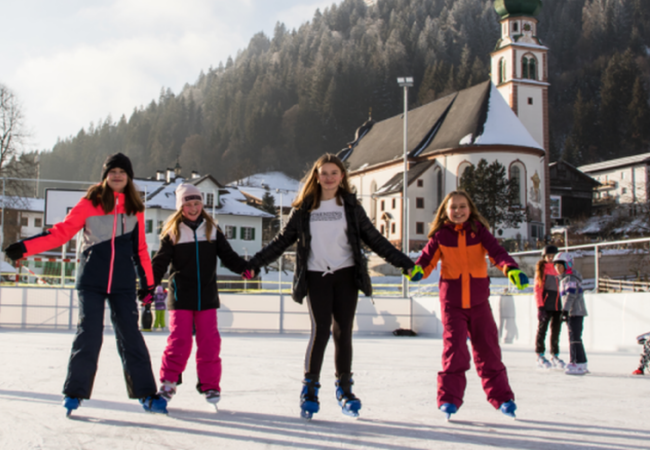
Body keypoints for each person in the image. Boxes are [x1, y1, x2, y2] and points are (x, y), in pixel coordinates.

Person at [247, 154, 416, 420]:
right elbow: (281, 242)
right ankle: (310, 388)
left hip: (347, 276)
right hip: (316, 277)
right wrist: (255, 264)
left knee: (343, 332)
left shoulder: (350, 206)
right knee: (321, 331)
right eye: (324, 173)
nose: (329, 178)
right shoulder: (304, 209)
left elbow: (375, 239)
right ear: (316, 176)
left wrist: (406, 264)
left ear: (342, 176)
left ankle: (345, 389)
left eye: (334, 172)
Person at [4, 153, 168, 416]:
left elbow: (140, 250)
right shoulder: (89, 203)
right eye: (112, 171)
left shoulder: (135, 208)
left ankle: (147, 393)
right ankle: (74, 392)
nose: (117, 175)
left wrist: (148, 284)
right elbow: (61, 232)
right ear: (105, 176)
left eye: (122, 172)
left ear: (129, 177)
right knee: (89, 334)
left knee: (131, 337)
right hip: (92, 280)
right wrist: (25, 247)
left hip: (123, 283)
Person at [406, 190, 529, 419]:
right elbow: (426, 261)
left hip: (479, 302)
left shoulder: (479, 232)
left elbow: (497, 253)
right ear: (445, 211)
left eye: (463, 206)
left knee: (488, 350)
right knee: (455, 352)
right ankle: (449, 400)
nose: (458, 211)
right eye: (453, 207)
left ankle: (502, 398)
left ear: (470, 208)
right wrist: (417, 271)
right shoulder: (441, 236)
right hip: (452, 304)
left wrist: (510, 268)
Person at [150, 183, 252, 407]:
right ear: (180, 207)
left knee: (210, 342)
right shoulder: (173, 232)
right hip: (180, 297)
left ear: (202, 205)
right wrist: (149, 285)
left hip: (206, 297)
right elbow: (160, 263)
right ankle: (169, 381)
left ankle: (210, 384)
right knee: (179, 341)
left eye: (197, 203)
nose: (193, 208)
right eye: (188, 204)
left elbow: (228, 256)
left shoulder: (211, 230)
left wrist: (244, 268)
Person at [554, 252, 593, 375]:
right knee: (576, 337)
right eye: (556, 266)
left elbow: (570, 295)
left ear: (568, 265)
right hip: (574, 311)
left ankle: (575, 361)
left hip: (574, 312)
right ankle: (581, 362)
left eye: (561, 266)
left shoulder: (569, 278)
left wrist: (565, 310)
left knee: (574, 337)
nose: (558, 269)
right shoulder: (566, 278)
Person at [534, 245, 565, 369]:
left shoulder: (560, 268)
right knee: (543, 330)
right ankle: (540, 354)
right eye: (549, 256)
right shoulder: (542, 269)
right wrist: (540, 307)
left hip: (559, 306)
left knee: (556, 331)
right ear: (544, 257)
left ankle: (554, 355)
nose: (551, 258)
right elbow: (537, 289)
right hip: (546, 305)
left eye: (553, 256)